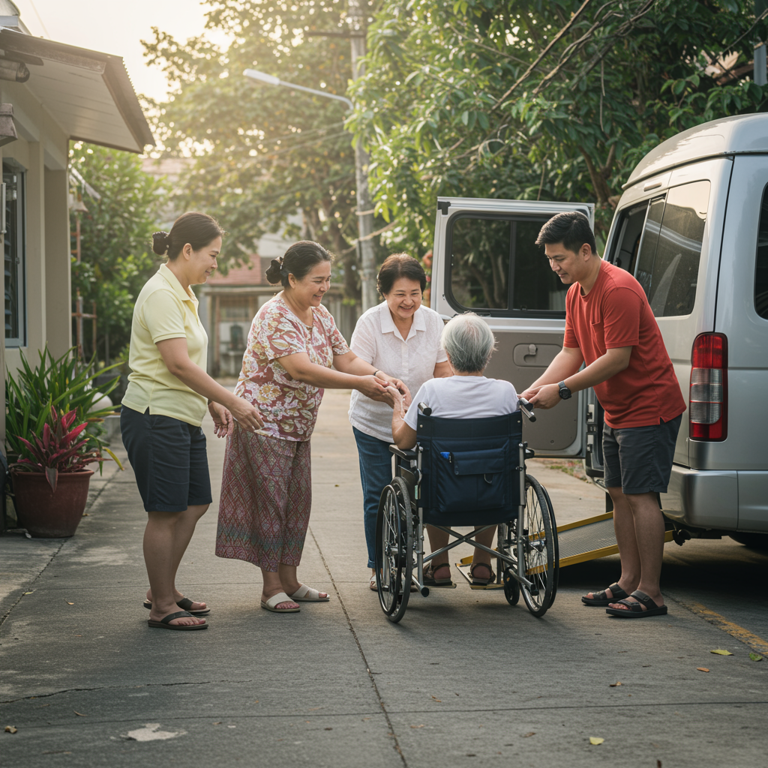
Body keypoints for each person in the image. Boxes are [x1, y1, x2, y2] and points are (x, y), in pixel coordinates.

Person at [215, 241, 408, 613]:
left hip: (299, 426)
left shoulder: (319, 314)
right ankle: (271, 587)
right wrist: (360, 385)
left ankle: (290, 580)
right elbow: (300, 369)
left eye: (328, 280)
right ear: (291, 279)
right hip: (264, 424)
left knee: (296, 504)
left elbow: (347, 357)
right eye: (317, 281)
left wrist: (382, 376)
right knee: (272, 505)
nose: (324, 287)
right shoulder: (275, 315)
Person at [521, 211, 686, 618]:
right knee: (617, 494)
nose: (554, 266)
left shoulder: (619, 289)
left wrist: (561, 391)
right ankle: (628, 581)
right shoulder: (576, 293)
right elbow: (571, 352)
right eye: (549, 260)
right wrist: (537, 387)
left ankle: (652, 592)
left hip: (649, 406)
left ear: (585, 250)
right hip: (617, 409)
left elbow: (617, 359)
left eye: (559, 258)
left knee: (641, 496)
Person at [121, 212, 264, 631]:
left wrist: (209, 401)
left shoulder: (183, 291)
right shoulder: (161, 294)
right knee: (164, 512)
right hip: (154, 414)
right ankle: (162, 604)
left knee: (196, 501)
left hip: (179, 414)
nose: (216, 264)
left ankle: (160, 587)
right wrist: (232, 401)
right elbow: (177, 364)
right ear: (188, 250)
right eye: (212, 255)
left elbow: (187, 366)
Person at [390, 312, 519, 586]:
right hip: (494, 498)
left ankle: (439, 565)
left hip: (442, 497)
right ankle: (482, 564)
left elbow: (403, 442)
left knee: (434, 472)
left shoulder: (432, 390)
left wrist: (397, 408)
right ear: (488, 354)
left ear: (447, 354)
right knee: (492, 469)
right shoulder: (506, 392)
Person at [348, 254, 451, 590]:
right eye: (400, 295)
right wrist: (385, 385)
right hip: (373, 421)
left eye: (415, 293)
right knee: (377, 495)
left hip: (420, 424)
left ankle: (426, 561)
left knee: (418, 493)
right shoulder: (369, 322)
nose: (408, 302)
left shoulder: (434, 321)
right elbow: (355, 365)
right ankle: (380, 567)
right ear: (384, 294)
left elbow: (442, 370)